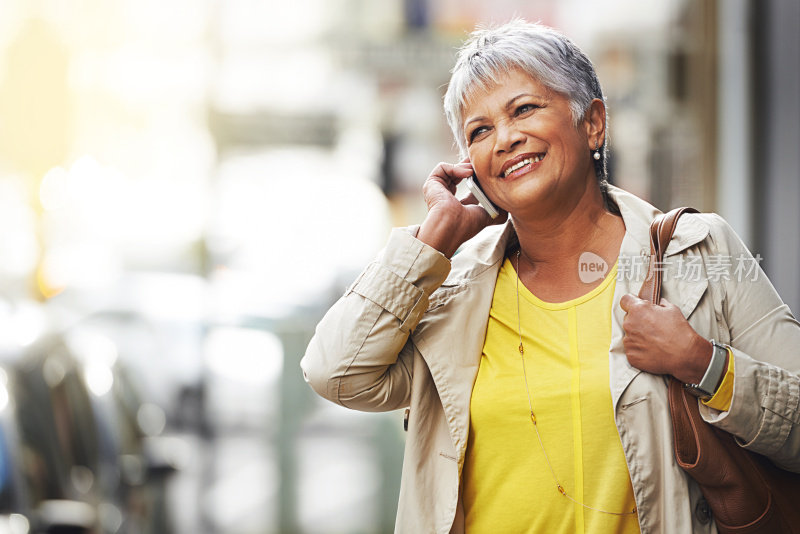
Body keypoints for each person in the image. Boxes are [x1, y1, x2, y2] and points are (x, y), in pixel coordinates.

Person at [300, 19, 800, 534]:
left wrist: (704, 364)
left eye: (525, 109)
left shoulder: (695, 251)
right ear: (469, 164)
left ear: (593, 124)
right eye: (480, 131)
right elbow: (335, 373)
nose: (506, 138)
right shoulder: (452, 292)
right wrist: (433, 239)